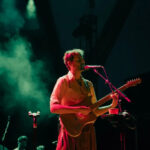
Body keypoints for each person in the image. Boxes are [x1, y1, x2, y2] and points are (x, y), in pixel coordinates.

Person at [50, 49, 118, 150]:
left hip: (87, 132)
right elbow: (53, 108)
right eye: (79, 60)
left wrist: (111, 106)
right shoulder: (63, 81)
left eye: (83, 60)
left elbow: (94, 111)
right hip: (71, 132)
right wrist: (78, 109)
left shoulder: (89, 84)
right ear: (69, 63)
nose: (83, 62)